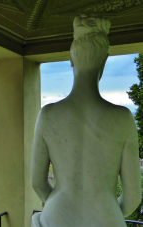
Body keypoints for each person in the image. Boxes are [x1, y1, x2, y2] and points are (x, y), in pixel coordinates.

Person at [31, 14, 141, 227]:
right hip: (106, 218)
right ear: (105, 60)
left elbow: (38, 184)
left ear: (71, 59)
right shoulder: (123, 118)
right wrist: (105, 213)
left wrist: (61, 207)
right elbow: (133, 197)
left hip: (57, 216)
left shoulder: (47, 115)